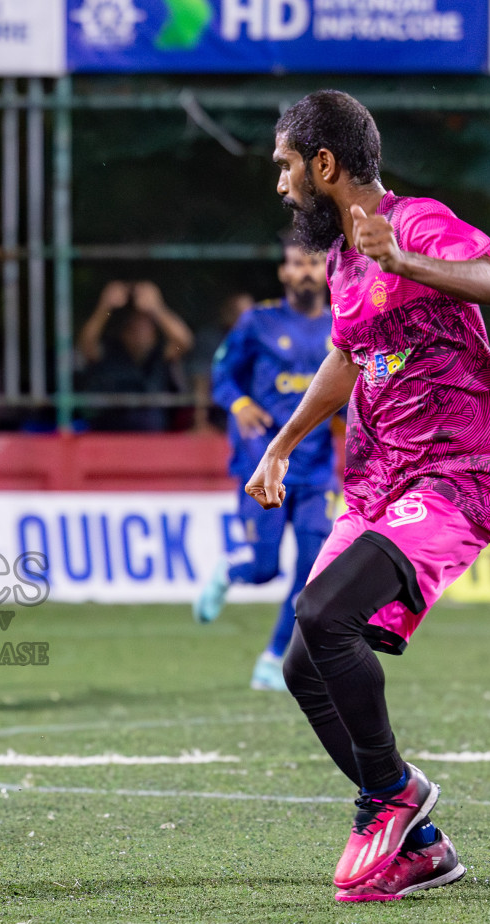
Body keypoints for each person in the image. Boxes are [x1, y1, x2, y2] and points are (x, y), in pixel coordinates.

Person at [249, 90, 490, 902]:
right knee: (306, 664)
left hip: (453, 473)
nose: (282, 183)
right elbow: (348, 355)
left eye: (286, 165)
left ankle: (391, 799)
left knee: (324, 616)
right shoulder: (340, 259)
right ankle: (421, 844)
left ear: (324, 165)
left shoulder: (414, 223)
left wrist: (405, 260)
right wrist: (284, 441)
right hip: (379, 479)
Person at [194, 239, 336, 692]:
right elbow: (222, 375)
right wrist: (237, 404)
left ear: (326, 270)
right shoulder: (257, 322)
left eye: (314, 263)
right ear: (284, 272)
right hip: (263, 465)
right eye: (298, 264)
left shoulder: (342, 327)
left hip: (316, 471)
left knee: (312, 573)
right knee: (265, 568)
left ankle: (274, 658)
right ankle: (230, 572)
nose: (307, 272)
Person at [76, 280, 192, 431]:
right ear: (123, 332)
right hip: (109, 435)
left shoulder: (162, 353)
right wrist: (106, 307)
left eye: (146, 328)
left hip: (154, 437)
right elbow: (86, 343)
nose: (140, 333)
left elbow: (184, 341)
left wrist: (156, 308)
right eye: (134, 328)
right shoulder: (109, 351)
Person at [185, 290, 254, 431]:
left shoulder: (262, 341)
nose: (245, 319)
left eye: (249, 313)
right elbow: (201, 380)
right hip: (219, 417)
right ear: (226, 314)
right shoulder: (211, 339)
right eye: (238, 313)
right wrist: (200, 423)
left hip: (256, 416)